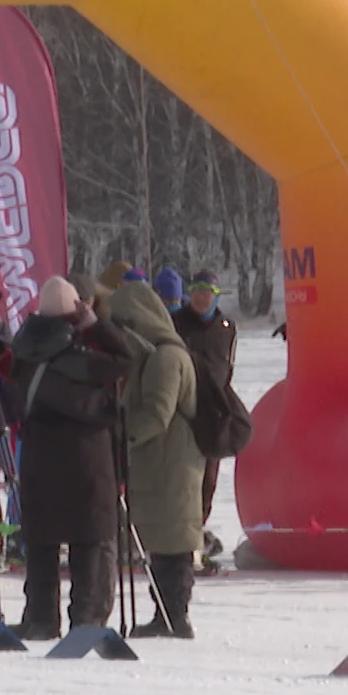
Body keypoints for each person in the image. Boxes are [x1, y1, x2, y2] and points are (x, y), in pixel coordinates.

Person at [8, 277, 135, 640]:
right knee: (89, 539)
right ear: (74, 313)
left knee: (42, 542)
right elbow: (126, 359)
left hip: (38, 458)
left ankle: (40, 618)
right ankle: (87, 618)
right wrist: (96, 324)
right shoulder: (83, 361)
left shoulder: (24, 354)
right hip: (85, 460)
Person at [109, 280, 202, 639]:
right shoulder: (151, 355)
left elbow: (156, 414)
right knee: (162, 541)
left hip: (173, 465)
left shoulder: (166, 357)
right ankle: (164, 612)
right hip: (158, 464)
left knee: (174, 542)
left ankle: (175, 614)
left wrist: (121, 435)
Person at [175, 269, 238, 567]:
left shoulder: (227, 327)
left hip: (213, 412)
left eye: (208, 292)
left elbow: (228, 367)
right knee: (183, 476)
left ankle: (195, 537)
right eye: (197, 291)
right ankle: (180, 542)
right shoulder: (176, 323)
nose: (202, 297)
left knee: (208, 480)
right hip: (184, 411)